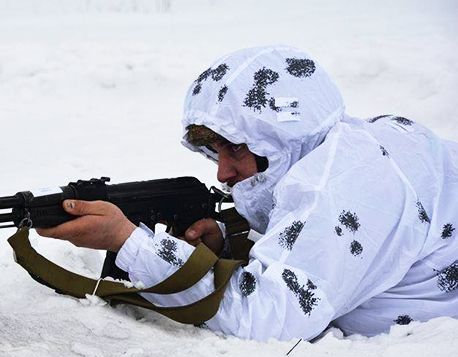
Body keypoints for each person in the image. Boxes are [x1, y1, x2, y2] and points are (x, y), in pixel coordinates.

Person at [37, 46, 458, 340]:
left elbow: (267, 319)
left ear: (283, 129)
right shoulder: (353, 141)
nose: (222, 172)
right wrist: (233, 237)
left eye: (236, 146)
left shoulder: (333, 188)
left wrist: (129, 243)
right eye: (214, 150)